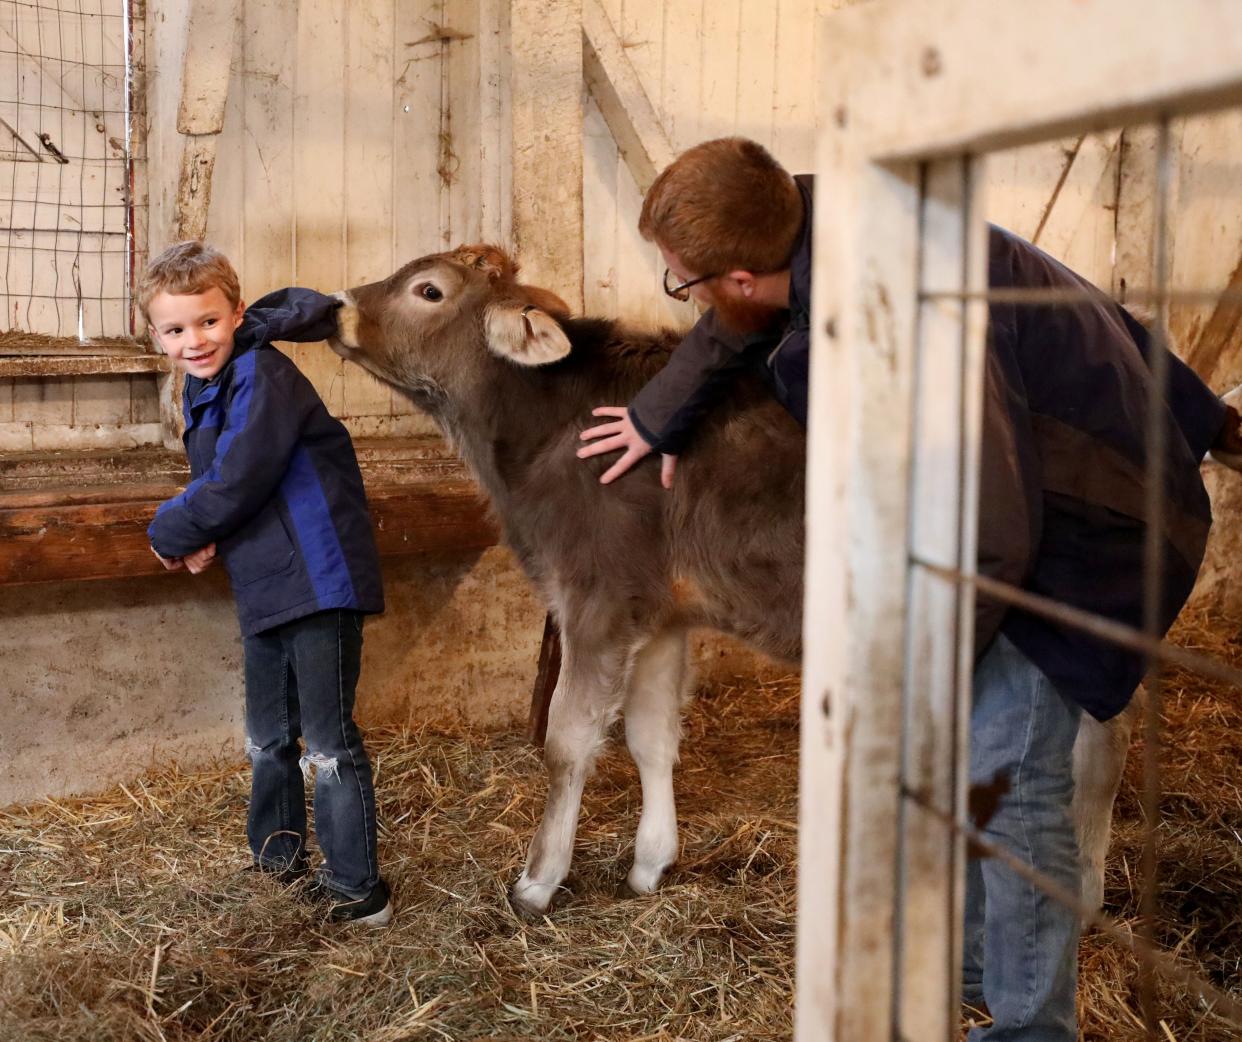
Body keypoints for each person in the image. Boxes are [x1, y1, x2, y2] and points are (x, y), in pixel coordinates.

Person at [578, 136, 1242, 1040]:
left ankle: (1030, 1028)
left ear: (739, 276)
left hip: (1089, 537)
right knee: (970, 757)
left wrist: (920, 669)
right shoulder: (824, 223)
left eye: (684, 283)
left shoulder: (903, 314)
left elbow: (995, 534)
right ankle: (973, 960)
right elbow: (726, 334)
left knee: (1013, 786)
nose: (687, 300)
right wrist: (658, 417)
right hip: (1049, 493)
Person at [141, 241, 391, 927]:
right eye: (176, 329)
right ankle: (278, 865)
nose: (195, 340)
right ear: (156, 336)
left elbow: (239, 475)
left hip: (318, 575)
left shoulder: (260, 375)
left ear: (237, 313)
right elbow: (222, 484)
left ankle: (356, 889)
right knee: (267, 737)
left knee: (328, 741)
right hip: (264, 578)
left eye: (208, 322)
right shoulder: (204, 385)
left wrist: (171, 532)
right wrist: (204, 534)